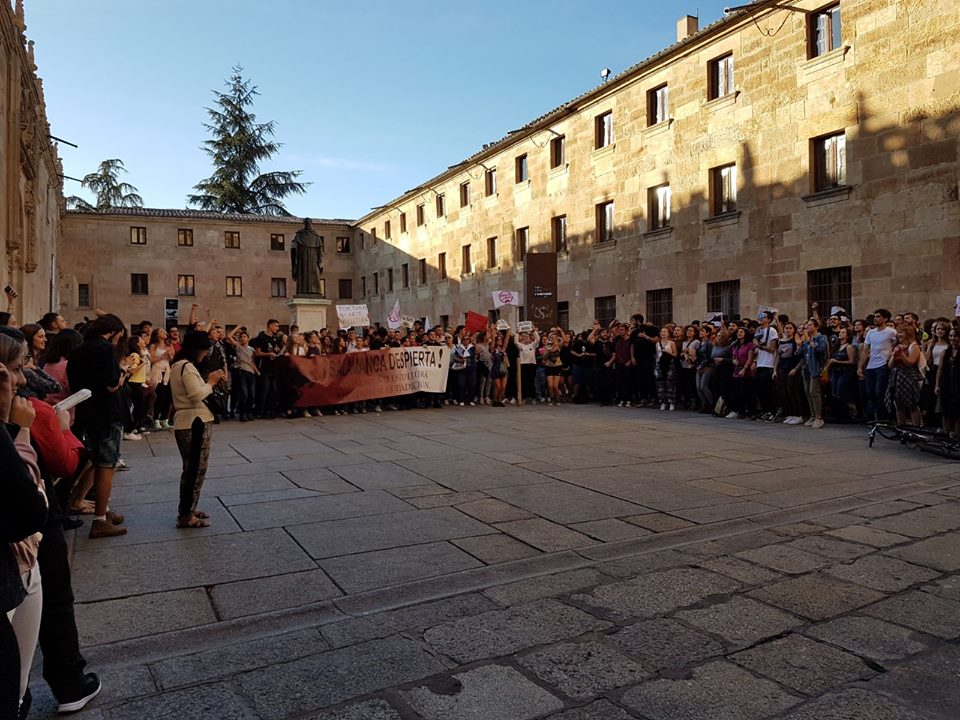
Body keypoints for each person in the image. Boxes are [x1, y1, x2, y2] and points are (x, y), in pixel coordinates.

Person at [0, 334, 46, 719]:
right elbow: (30, 506)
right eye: (16, 369)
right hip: (14, 565)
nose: (22, 380)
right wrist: (16, 428)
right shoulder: (12, 425)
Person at [67, 314, 129, 538]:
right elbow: (112, 385)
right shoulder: (106, 349)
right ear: (113, 331)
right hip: (107, 413)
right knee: (106, 465)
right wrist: (122, 373)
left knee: (96, 461)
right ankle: (100, 518)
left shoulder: (79, 349)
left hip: (87, 411)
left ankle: (102, 510)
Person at [170, 332, 226, 529]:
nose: (206, 353)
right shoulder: (186, 367)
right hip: (194, 421)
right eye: (205, 349)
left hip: (190, 420)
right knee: (194, 469)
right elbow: (196, 394)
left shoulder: (180, 365)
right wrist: (210, 382)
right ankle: (185, 513)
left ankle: (189, 508)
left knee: (194, 468)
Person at [859, 309, 897, 421]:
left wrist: (890, 357)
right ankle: (874, 416)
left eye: (878, 316)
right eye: (875, 316)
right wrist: (860, 367)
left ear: (885, 319)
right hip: (871, 366)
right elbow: (865, 350)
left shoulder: (891, 332)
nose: (875, 319)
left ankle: (883, 418)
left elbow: (896, 344)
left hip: (883, 366)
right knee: (870, 392)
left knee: (880, 392)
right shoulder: (871, 333)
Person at [886, 325, 923, 427]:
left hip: (909, 377)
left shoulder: (914, 346)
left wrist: (901, 354)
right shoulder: (898, 345)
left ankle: (916, 427)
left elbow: (911, 363)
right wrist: (894, 354)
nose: (899, 335)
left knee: (912, 404)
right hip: (897, 376)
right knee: (898, 403)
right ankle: (901, 427)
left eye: (902, 332)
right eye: (898, 332)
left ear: (908, 333)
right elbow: (890, 365)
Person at [797, 318, 827, 429]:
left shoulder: (821, 338)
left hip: (816, 368)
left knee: (814, 392)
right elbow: (799, 353)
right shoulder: (806, 339)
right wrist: (801, 344)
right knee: (807, 392)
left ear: (816, 326)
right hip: (806, 369)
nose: (807, 327)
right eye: (806, 326)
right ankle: (813, 415)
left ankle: (819, 417)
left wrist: (812, 344)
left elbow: (821, 351)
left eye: (809, 325)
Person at [935, 327, 960, 436]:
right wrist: (937, 385)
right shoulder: (945, 352)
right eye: (950, 336)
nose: (952, 338)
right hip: (946, 384)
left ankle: (957, 436)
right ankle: (946, 435)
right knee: (945, 411)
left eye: (955, 336)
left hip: (958, 385)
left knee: (957, 413)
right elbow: (940, 369)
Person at [655, 327, 678, 411]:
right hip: (660, 364)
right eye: (662, 332)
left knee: (670, 383)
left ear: (668, 333)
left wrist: (669, 352)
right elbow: (657, 355)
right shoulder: (657, 344)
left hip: (669, 364)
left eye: (665, 332)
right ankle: (663, 402)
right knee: (660, 383)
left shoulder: (671, 343)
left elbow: (675, 355)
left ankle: (671, 402)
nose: (663, 333)